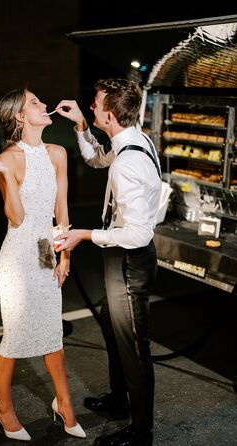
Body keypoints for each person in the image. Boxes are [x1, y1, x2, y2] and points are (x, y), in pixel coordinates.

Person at [55, 78, 162, 446]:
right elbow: (94, 158)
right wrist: (83, 126)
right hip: (120, 257)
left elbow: (138, 234)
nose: (92, 105)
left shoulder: (128, 161)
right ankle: (119, 402)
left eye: (97, 105)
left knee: (133, 346)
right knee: (113, 330)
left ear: (112, 114)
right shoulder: (129, 141)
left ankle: (140, 431)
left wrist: (85, 235)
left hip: (130, 261)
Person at [0, 88, 86, 441]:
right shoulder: (7, 159)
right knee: (15, 336)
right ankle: (4, 408)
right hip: (17, 256)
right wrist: (5, 175)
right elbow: (18, 219)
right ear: (21, 117)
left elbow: (62, 210)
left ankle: (64, 405)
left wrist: (65, 252)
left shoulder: (57, 153)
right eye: (35, 103)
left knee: (52, 331)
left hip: (45, 250)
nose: (44, 104)